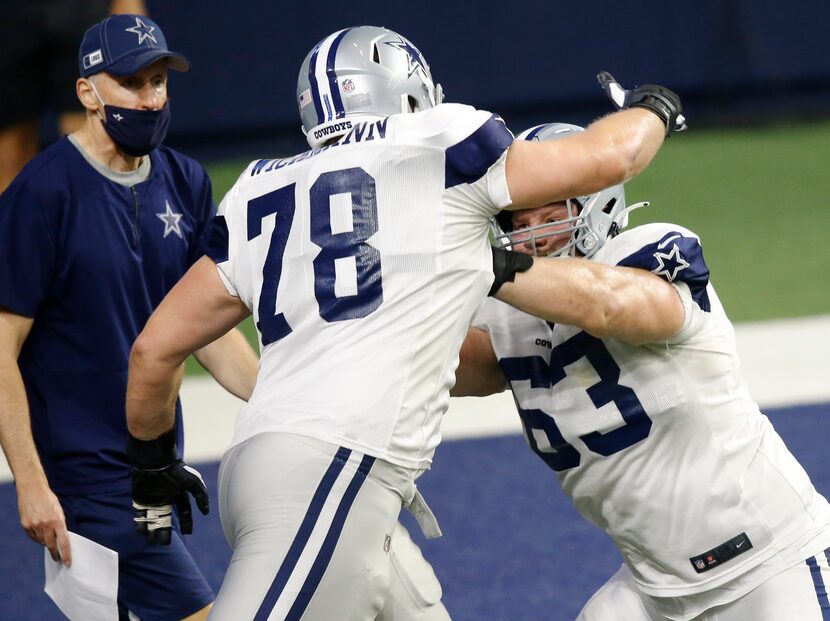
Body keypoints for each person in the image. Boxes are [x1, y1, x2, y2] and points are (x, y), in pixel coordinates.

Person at [123, 26, 685, 620]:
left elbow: (153, 352)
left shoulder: (256, 187)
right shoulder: (439, 142)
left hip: (261, 466)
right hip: (336, 469)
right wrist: (654, 107)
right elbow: (612, 157)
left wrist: (152, 464)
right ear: (411, 93)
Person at [452, 122, 830, 620]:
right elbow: (450, 369)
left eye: (546, 206)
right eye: (516, 214)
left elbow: (609, 304)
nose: (529, 228)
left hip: (771, 563)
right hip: (654, 586)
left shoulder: (647, 254)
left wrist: (487, 265)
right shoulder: (504, 313)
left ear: (595, 201)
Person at [0, 14, 259, 621]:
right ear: (88, 93)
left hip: (153, 466)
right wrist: (31, 484)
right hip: (85, 477)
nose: (150, 98)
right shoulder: (40, 195)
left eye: (158, 82)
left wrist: (280, 405)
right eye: (132, 83)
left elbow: (207, 334)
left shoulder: (187, 181)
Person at [0, 0, 149, 194]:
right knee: (10, 154)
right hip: (9, 18)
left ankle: (93, 222)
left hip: (83, 13)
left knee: (92, 150)